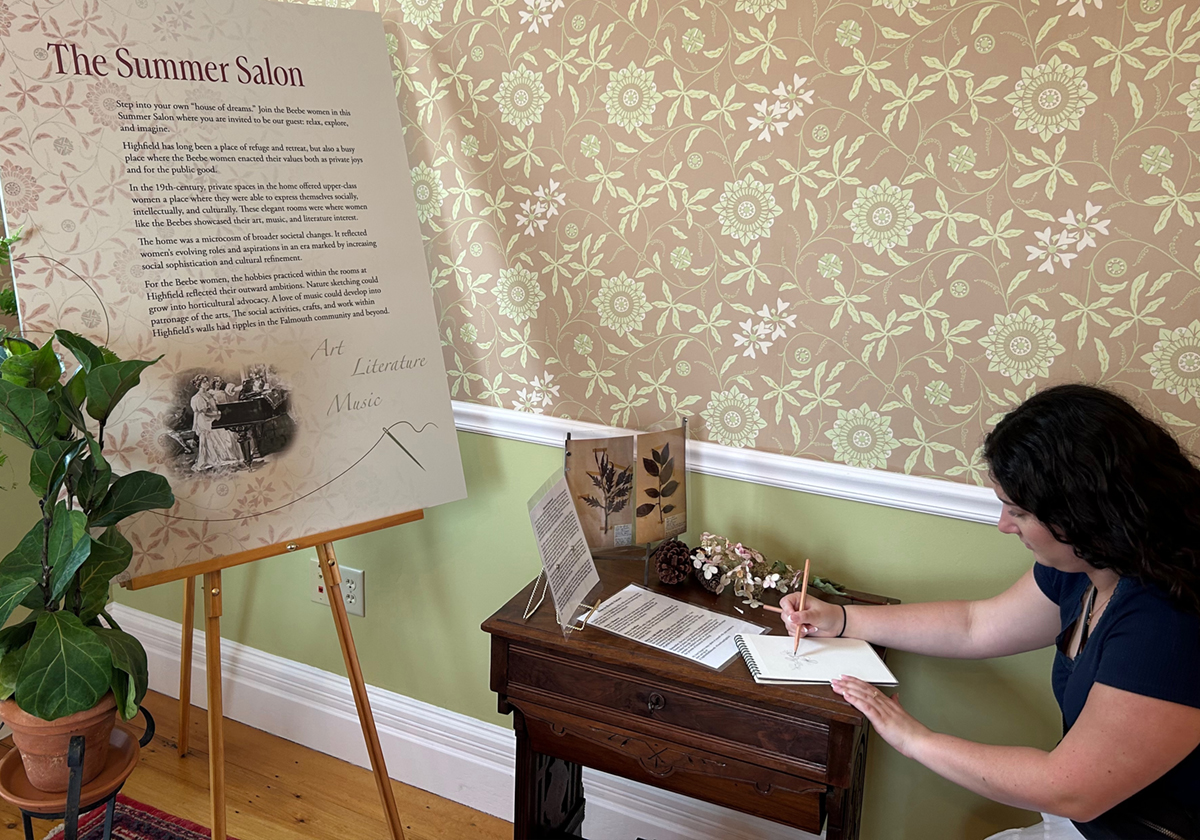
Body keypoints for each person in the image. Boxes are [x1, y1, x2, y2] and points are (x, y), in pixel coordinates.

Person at [781, 384, 1200, 839]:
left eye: (1017, 512)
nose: (1003, 525)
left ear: (1085, 512)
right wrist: (842, 619)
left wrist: (913, 738)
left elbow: (1071, 789)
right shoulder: (1088, 564)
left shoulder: (1168, 623)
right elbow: (975, 627)